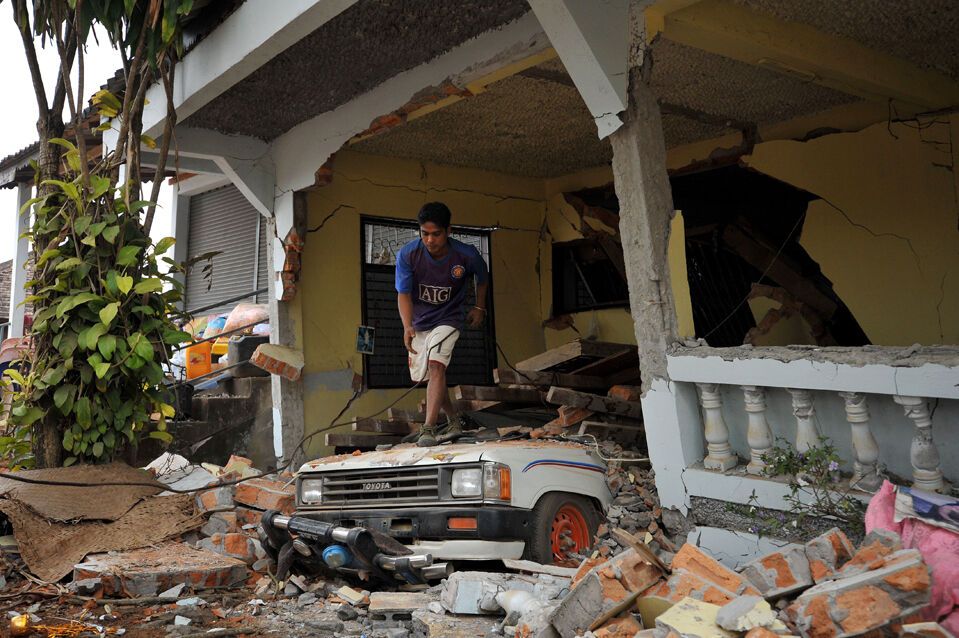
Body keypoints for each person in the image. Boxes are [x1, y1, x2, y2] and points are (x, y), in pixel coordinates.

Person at [395, 202, 489, 447]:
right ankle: (453, 419)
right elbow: (403, 294)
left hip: (449, 318)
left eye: (436, 234)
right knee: (428, 375)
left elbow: (483, 276)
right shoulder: (408, 254)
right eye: (424, 234)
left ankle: (428, 428)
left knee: (437, 366)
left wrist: (479, 307)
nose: (429, 240)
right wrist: (407, 326)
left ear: (449, 231)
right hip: (420, 321)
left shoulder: (466, 255)